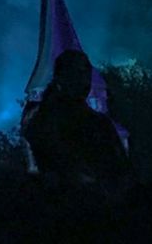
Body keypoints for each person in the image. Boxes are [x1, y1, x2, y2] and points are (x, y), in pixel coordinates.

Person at [23, 49, 130, 186]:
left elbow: (119, 170)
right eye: (77, 74)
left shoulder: (98, 122)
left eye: (86, 74)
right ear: (61, 77)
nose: (84, 81)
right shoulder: (41, 119)